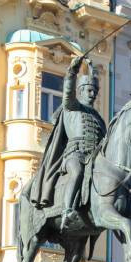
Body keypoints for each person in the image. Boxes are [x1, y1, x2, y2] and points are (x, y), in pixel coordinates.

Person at [25, 54, 106, 220]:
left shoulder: (98, 118)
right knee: (77, 172)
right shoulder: (72, 107)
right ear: (81, 91)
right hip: (74, 154)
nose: (93, 94)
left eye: (95, 91)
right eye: (89, 90)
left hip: (94, 158)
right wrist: (72, 72)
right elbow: (68, 92)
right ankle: (67, 210)